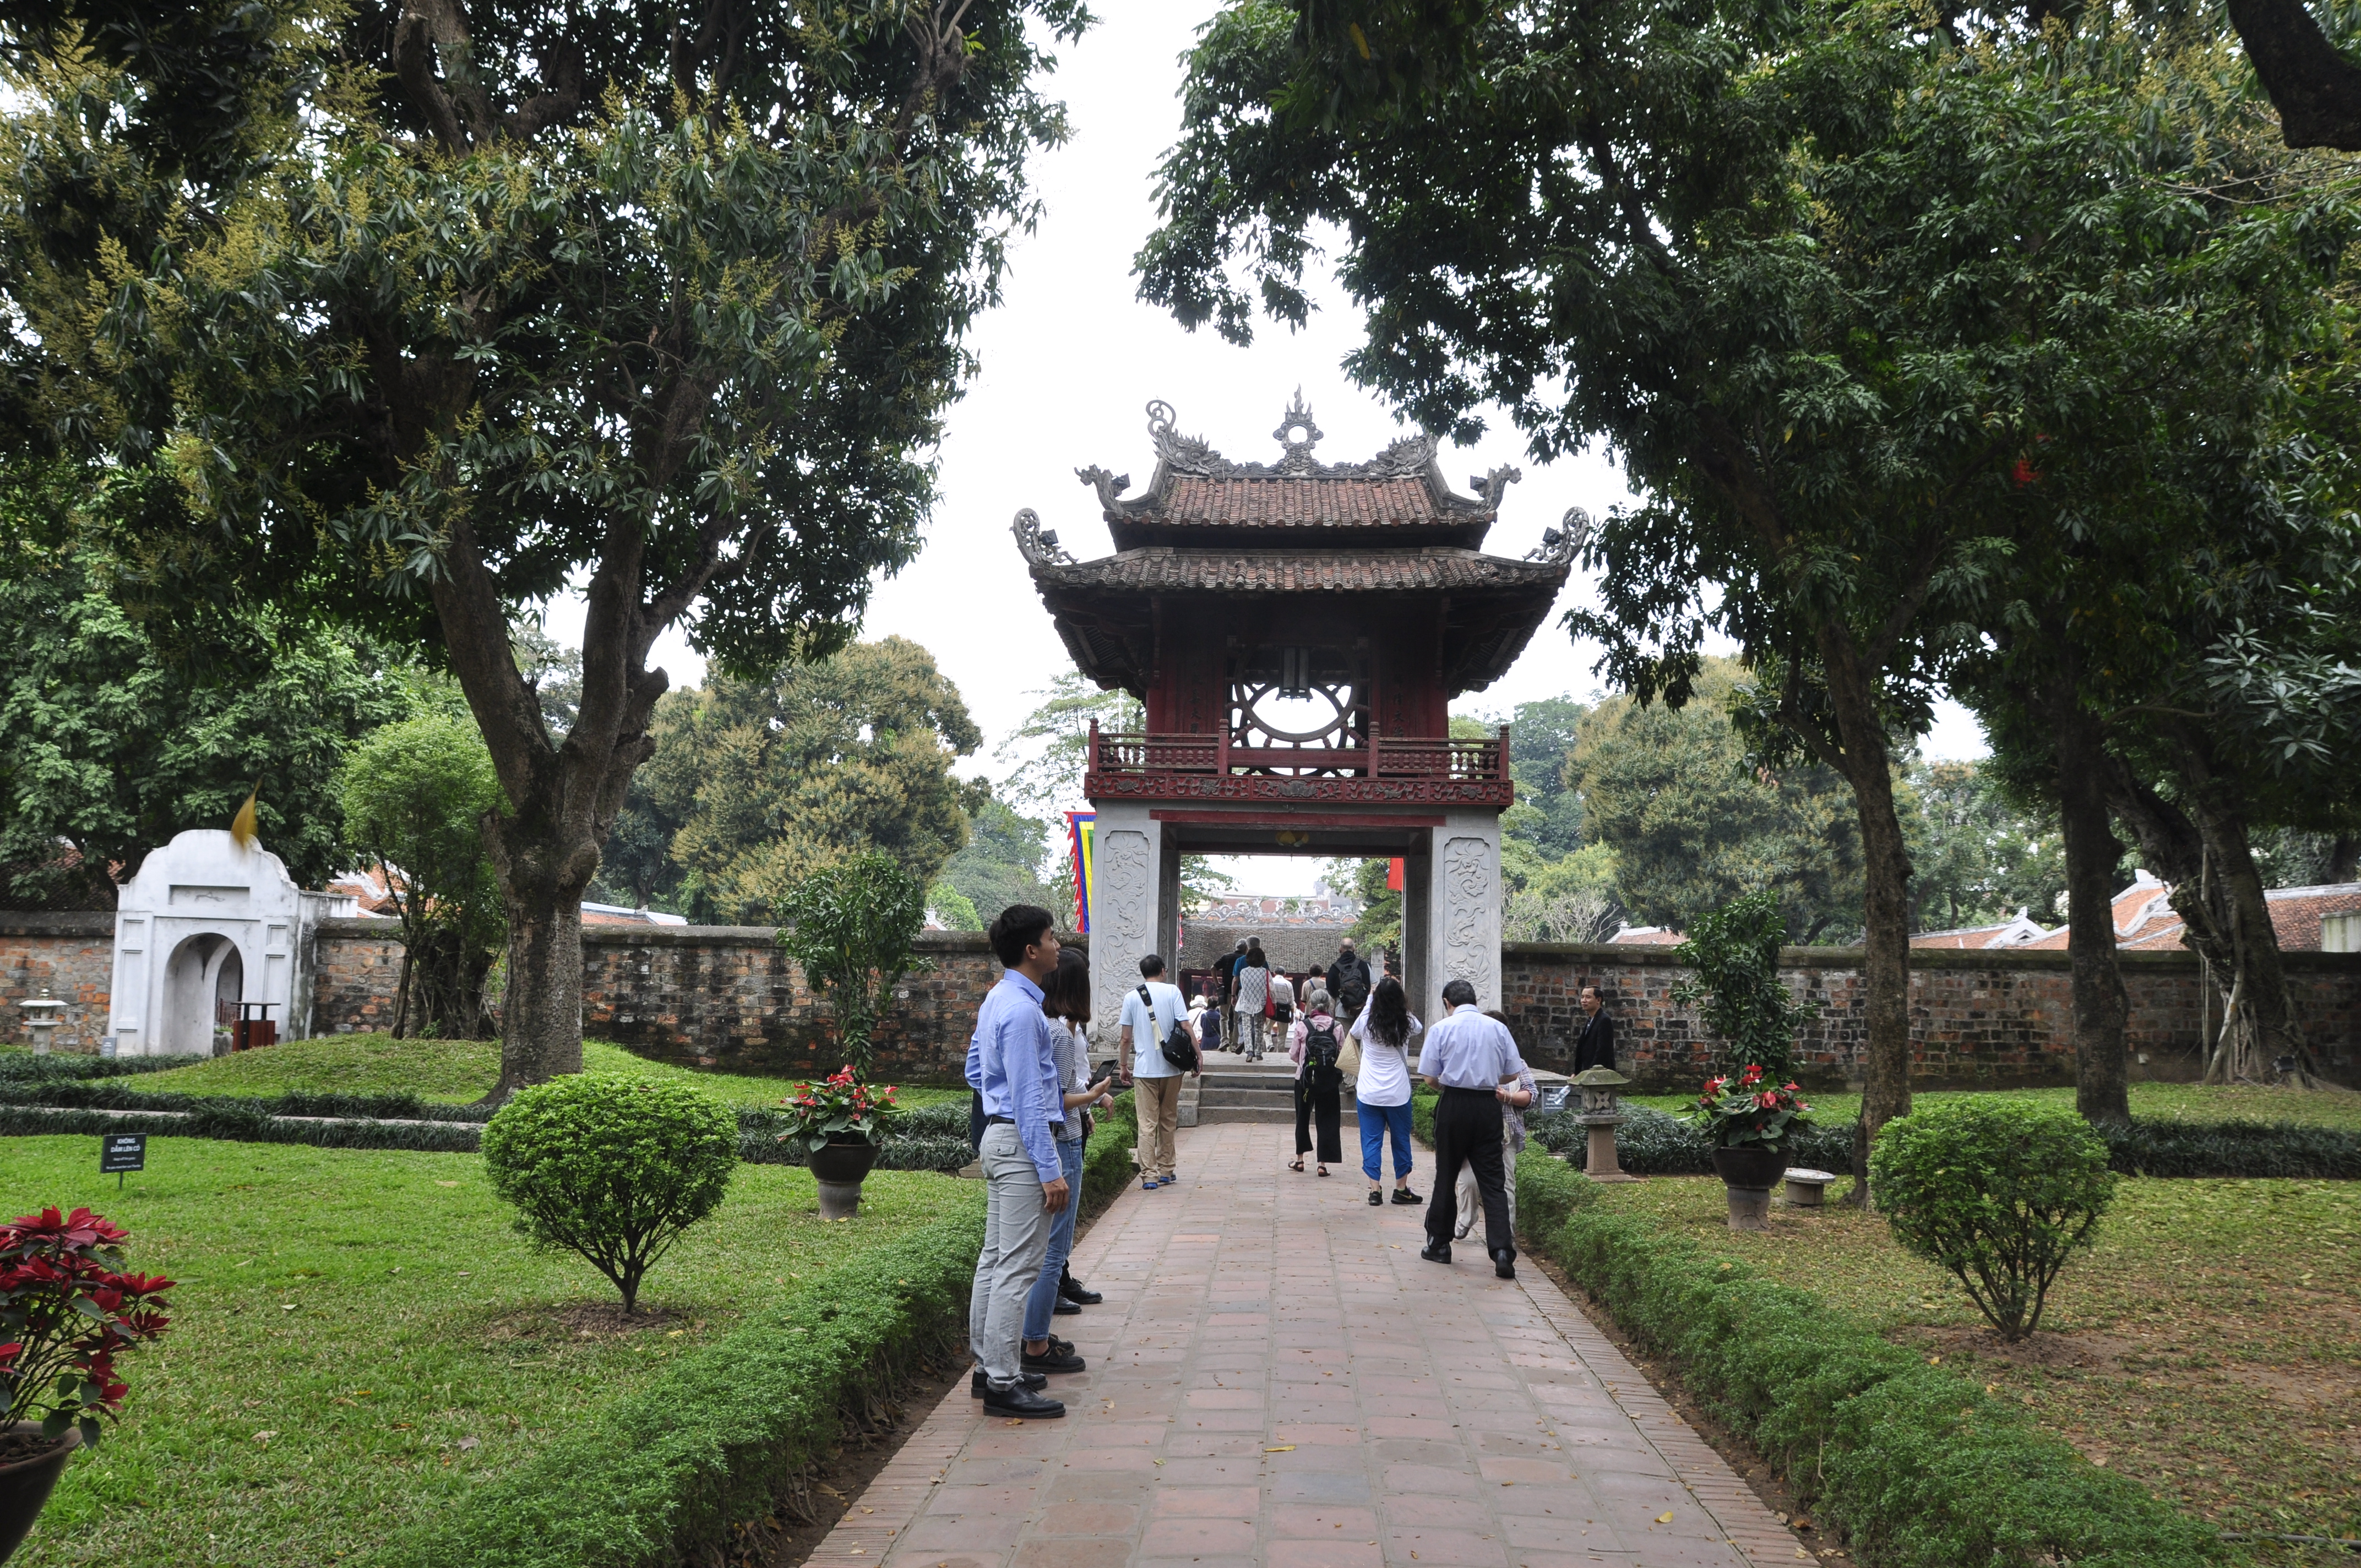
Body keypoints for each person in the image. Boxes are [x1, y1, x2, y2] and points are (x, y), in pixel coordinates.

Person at [964, 904, 1071, 1418]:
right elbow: (1031, 1099)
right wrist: (1050, 1170)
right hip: (1022, 1146)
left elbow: (975, 1069)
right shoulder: (1025, 1011)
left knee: (994, 1259)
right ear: (1032, 950)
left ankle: (989, 1368)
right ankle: (1004, 1384)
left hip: (999, 1138)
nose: (1057, 945)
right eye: (1051, 938)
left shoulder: (996, 999)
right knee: (1016, 1266)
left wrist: (997, 1103)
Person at [1022, 949, 1114, 1356]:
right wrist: (1093, 1096)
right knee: (1054, 1247)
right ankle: (1036, 1342)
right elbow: (1056, 1098)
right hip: (1064, 1141)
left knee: (1050, 1245)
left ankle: (1034, 1336)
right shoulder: (1058, 1033)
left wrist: (1087, 1108)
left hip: (1068, 1133)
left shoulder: (1057, 1029)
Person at [1417, 978, 1530, 1279]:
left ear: (1447, 1003)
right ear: (1475, 1001)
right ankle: (1503, 1252)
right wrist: (1488, 1080)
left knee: (1447, 1174)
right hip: (1487, 1106)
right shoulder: (1498, 1029)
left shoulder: (1441, 1028)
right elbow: (1513, 1071)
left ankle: (1439, 1244)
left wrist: (1452, 1086)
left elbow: (1429, 1076)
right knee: (1493, 1181)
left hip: (1454, 1105)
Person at [1456, 1011, 1536, 1242]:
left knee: (1505, 1185)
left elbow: (1531, 1095)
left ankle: (1506, 1235)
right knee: (1468, 1180)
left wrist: (1507, 1097)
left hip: (1504, 1135)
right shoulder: (1470, 1059)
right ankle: (1467, 1218)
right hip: (1474, 1133)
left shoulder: (1516, 1063)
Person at [1120, 953, 1192, 1191]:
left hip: (1144, 1070)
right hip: (1171, 1068)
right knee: (1168, 1120)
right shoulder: (1172, 992)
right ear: (1162, 970)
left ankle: (1149, 1175)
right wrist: (1198, 1055)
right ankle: (1167, 1170)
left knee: (1147, 1124)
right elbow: (1185, 1025)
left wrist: (1123, 1066)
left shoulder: (1131, 997)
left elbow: (1125, 1038)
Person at [1350, 974, 1423, 1207]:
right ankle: (1401, 1189)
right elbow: (1419, 1028)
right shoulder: (1407, 1022)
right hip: (1398, 1093)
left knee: (1371, 1141)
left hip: (1369, 1091)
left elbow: (1354, 1031)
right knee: (1401, 1140)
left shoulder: (1368, 1022)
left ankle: (1374, 1190)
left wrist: (1370, 1000)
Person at [1286, 985, 1345, 1176]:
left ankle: (1300, 1160)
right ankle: (1322, 1164)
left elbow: (1294, 1055)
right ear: (1329, 1005)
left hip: (1305, 1080)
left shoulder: (1303, 1026)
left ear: (1311, 1004)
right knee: (1327, 1119)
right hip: (1328, 1081)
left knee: (1302, 1117)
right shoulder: (1337, 1027)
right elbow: (1342, 1054)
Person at [1232, 938, 1272, 1060]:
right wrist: (1273, 1002)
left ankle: (1249, 1050)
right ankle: (1259, 1052)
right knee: (1259, 1027)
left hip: (1245, 1000)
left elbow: (1236, 980)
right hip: (1260, 1001)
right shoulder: (1265, 969)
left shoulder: (1242, 968)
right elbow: (1271, 987)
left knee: (1246, 1027)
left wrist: (1234, 996)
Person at [1572, 984, 1616, 1072]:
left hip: (1599, 1074)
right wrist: (1577, 1072)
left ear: (1598, 1000)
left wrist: (1591, 1073)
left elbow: (1602, 1051)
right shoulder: (1590, 1020)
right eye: (1582, 997)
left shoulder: (1604, 1020)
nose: (1584, 1001)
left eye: (1588, 997)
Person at [1327, 939, 1373, 1022]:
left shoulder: (1334, 968)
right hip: (1361, 1013)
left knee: (1344, 1035)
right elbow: (1373, 986)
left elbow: (1331, 992)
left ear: (1340, 949)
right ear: (1354, 949)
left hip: (1342, 1012)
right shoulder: (1363, 965)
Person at [1269, 966, 1296, 1036]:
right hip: (1283, 1011)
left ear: (1274, 973)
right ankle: (1280, 1048)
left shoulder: (1270, 982)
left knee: (1266, 1032)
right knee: (1282, 1035)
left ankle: (1269, 1044)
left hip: (1271, 1009)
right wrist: (1292, 1016)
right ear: (1285, 974)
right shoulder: (1288, 984)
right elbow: (1291, 1001)